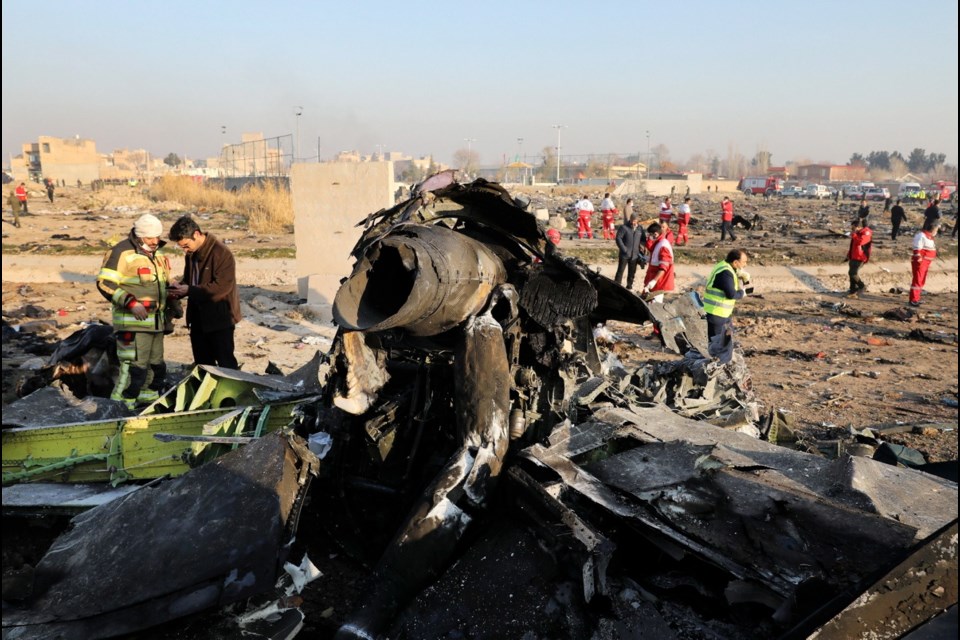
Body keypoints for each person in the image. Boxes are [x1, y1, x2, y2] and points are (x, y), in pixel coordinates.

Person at [96, 214, 173, 409]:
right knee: (133, 369)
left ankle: (145, 400)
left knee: (155, 366)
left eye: (157, 237)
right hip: (132, 323)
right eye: (150, 238)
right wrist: (131, 303)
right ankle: (120, 407)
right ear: (139, 236)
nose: (155, 241)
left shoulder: (158, 254)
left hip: (156, 324)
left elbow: (161, 285)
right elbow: (104, 283)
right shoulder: (121, 252)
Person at [167, 216, 241, 368]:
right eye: (182, 247)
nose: (185, 250)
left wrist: (190, 290)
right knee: (202, 363)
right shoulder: (191, 254)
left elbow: (222, 287)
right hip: (198, 318)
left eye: (186, 245)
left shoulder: (221, 253)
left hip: (220, 319)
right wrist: (179, 289)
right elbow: (189, 280)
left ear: (196, 234)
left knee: (226, 363)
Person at [702, 249, 751, 363]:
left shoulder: (724, 266)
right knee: (717, 344)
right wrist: (743, 293)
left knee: (727, 339)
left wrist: (740, 274)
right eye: (744, 262)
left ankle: (723, 362)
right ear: (735, 262)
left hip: (723, 314)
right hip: (716, 314)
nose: (745, 265)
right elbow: (731, 294)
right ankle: (715, 365)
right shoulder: (725, 273)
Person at [909, 221, 938, 307]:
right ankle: (913, 300)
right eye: (936, 230)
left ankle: (917, 298)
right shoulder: (921, 236)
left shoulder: (929, 237)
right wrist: (919, 261)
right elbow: (917, 249)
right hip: (920, 263)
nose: (936, 232)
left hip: (926, 263)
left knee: (921, 281)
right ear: (932, 229)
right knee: (917, 280)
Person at [614, 214, 647, 290]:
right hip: (624, 254)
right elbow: (618, 238)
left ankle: (629, 287)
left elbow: (643, 239)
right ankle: (616, 287)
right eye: (632, 220)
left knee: (632, 273)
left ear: (637, 220)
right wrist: (624, 249)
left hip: (635, 255)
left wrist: (642, 247)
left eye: (635, 221)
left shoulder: (640, 229)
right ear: (630, 219)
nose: (634, 222)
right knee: (620, 271)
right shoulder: (624, 227)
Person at [641, 222, 675, 298]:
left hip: (659, 284)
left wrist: (654, 281)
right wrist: (647, 258)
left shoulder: (663, 246)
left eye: (650, 235)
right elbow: (653, 252)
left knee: (655, 304)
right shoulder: (658, 243)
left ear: (655, 234)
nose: (649, 237)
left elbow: (663, 267)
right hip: (654, 280)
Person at [846, 218, 873, 297]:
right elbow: (853, 245)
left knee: (853, 273)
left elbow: (861, 242)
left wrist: (854, 235)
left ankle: (862, 286)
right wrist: (849, 254)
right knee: (851, 273)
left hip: (860, 257)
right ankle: (852, 290)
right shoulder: (858, 233)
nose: (852, 229)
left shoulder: (866, 233)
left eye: (853, 227)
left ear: (858, 227)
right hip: (854, 256)